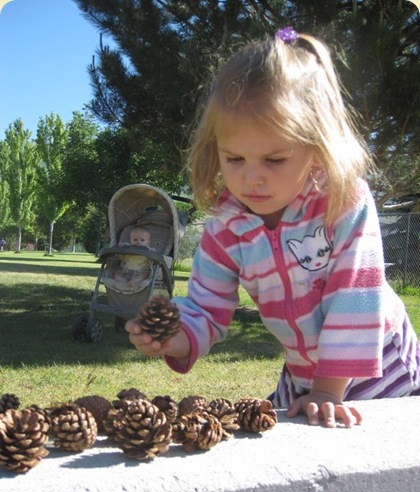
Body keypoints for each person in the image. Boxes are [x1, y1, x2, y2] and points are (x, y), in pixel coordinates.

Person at [126, 27, 420, 428]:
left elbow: (355, 297)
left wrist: (328, 390)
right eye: (234, 159)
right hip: (302, 376)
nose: (251, 178)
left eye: (274, 160)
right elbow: (205, 308)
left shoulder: (342, 201)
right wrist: (172, 338)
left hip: (378, 365)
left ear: (316, 146)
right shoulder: (227, 230)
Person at [106, 226, 153, 290]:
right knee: (116, 275)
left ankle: (134, 281)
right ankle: (125, 281)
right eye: (135, 240)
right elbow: (121, 258)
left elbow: (152, 261)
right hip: (125, 271)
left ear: (148, 242)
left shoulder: (149, 250)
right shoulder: (127, 248)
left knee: (145, 274)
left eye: (142, 240)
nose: (138, 242)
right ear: (130, 240)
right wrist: (120, 250)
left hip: (140, 272)